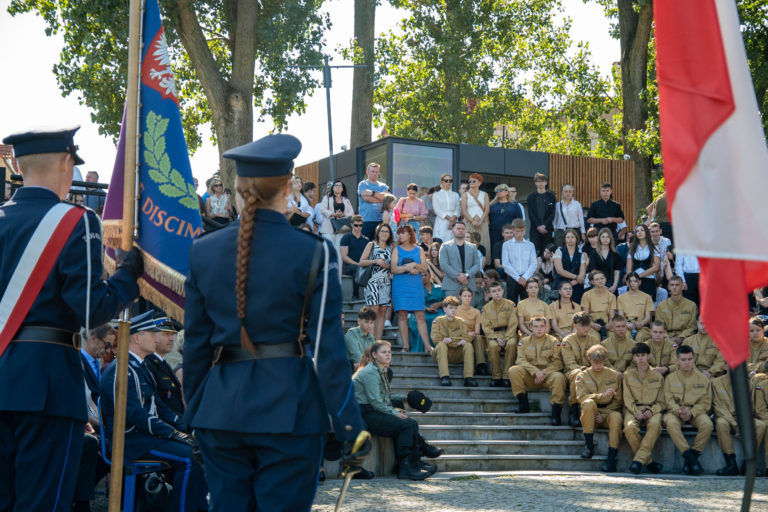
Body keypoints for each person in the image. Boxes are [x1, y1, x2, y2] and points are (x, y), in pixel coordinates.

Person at [182, 134, 366, 510]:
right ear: (287, 189)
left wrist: (196, 410)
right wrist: (348, 423)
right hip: (290, 410)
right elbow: (327, 348)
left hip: (220, 411)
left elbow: (197, 345)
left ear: (237, 191)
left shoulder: (203, 250)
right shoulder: (315, 252)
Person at [0, 126, 142, 512]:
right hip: (48, 381)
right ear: (67, 162)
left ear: (19, 166)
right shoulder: (76, 221)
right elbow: (91, 310)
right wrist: (128, 275)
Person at [101, 311, 207, 512]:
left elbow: (161, 408)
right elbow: (136, 415)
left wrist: (187, 428)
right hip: (131, 442)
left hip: (146, 438)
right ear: (137, 337)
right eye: (152, 334)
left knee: (202, 449)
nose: (156, 338)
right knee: (191, 458)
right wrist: (173, 433)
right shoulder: (121, 368)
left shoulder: (140, 367)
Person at [352, 340, 440, 480]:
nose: (388, 355)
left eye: (389, 352)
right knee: (406, 425)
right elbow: (376, 402)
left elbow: (385, 397)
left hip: (372, 410)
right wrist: (394, 412)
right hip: (363, 414)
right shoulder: (370, 373)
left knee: (411, 423)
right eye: (383, 352)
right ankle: (405, 468)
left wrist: (405, 398)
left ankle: (414, 463)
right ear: (374, 355)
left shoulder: (380, 370)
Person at [663, 345, 713, 476]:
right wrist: (678, 411)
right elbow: (668, 400)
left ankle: (692, 457)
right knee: (671, 423)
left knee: (707, 424)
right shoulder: (670, 378)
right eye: (683, 359)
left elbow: (706, 401)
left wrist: (692, 412)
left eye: (690, 359)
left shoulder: (703, 379)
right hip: (675, 411)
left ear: (694, 359)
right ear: (677, 360)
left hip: (695, 411)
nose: (687, 362)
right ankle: (689, 456)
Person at [509, 316, 566, 425]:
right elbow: (520, 360)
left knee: (559, 377)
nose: (539, 329)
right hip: (531, 376)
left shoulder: (554, 341)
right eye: (536, 326)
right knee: (514, 370)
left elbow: (558, 363)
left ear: (546, 327)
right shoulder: (524, 342)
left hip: (547, 376)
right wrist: (535, 372)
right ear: (530, 327)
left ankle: (556, 414)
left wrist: (543, 373)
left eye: (541, 326)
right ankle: (523, 404)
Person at [575, 344, 622, 472]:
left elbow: (618, 400)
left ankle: (611, 457)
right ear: (589, 359)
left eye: (601, 362)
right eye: (595, 362)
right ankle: (588, 446)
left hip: (608, 410)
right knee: (588, 403)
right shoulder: (582, 376)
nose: (598, 365)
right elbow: (581, 397)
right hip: (591, 413)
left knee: (617, 417)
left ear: (605, 360)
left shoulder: (614, 375)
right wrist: (601, 396)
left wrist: (605, 415)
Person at [622, 342, 665, 475]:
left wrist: (652, 411)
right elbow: (627, 398)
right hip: (633, 409)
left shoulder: (658, 376)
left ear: (648, 356)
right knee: (629, 427)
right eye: (638, 356)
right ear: (634, 358)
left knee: (655, 425)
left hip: (653, 409)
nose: (640, 358)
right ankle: (648, 462)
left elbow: (662, 401)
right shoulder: (628, 375)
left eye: (643, 355)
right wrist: (636, 412)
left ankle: (638, 461)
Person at [391, 224, 431, 352]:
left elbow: (424, 268)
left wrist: (414, 264)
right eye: (399, 233)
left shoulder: (419, 250)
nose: (400, 235)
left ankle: (428, 346)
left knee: (420, 315)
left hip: (415, 286)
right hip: (400, 286)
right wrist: (407, 268)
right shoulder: (396, 249)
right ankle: (405, 346)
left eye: (402, 233)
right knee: (402, 315)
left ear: (409, 234)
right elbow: (393, 269)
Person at [561, 312, 600, 427]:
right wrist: (584, 370)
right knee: (577, 374)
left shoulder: (594, 340)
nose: (586, 329)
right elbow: (569, 363)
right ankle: (573, 410)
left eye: (588, 325)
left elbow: (601, 359)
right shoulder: (567, 341)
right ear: (575, 326)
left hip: (592, 370)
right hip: (572, 371)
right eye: (583, 326)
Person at [430, 296, 478, 387]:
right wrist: (456, 340)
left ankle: (468, 378)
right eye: (450, 308)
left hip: (456, 354)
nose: (453, 310)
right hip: (442, 354)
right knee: (441, 344)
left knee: (468, 345)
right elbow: (435, 339)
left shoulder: (461, 322)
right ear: (444, 309)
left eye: (455, 308)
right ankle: (444, 377)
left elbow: (466, 337)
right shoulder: (437, 321)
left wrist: (452, 340)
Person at [144, 314, 185, 416]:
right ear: (153, 336)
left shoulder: (163, 364)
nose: (171, 339)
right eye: (166, 334)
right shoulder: (148, 364)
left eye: (172, 334)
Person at [358, 224, 393, 338]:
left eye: (387, 231)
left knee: (383, 311)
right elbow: (361, 261)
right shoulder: (371, 244)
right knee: (373, 310)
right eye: (382, 231)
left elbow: (393, 266)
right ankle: (370, 340)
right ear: (378, 233)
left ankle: (378, 340)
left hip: (386, 283)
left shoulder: (391, 248)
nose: (384, 234)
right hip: (372, 281)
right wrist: (375, 261)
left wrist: (389, 267)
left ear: (390, 234)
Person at [482, 281, 519, 387]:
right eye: (494, 291)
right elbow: (486, 326)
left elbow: (513, 323)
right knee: (493, 346)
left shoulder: (511, 305)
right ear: (490, 294)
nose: (497, 293)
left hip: (509, 333)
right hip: (494, 334)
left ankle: (507, 376)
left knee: (511, 344)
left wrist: (506, 338)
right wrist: (495, 338)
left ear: (503, 291)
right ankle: (496, 376)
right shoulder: (486, 308)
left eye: (499, 290)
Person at [439, 220, 482, 299]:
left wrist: (467, 275)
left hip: (469, 284)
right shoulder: (445, 246)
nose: (461, 230)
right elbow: (444, 265)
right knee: (452, 307)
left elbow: (477, 265)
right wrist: (458, 277)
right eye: (458, 229)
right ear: (452, 231)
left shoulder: (472, 247)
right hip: (451, 285)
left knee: (469, 307)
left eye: (463, 229)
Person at [712, 373, 742, 476]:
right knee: (721, 424)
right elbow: (718, 406)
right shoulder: (716, 383)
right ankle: (731, 462)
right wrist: (735, 425)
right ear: (725, 366)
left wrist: (741, 423)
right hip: (723, 416)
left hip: (741, 417)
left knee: (760, 426)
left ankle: (748, 464)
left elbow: (749, 406)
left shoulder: (748, 384)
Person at [654, 275, 698, 345]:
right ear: (668, 287)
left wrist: (681, 337)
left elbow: (693, 327)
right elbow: (659, 325)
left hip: (686, 339)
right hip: (665, 338)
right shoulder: (661, 306)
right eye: (672, 285)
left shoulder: (691, 306)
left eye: (677, 285)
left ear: (682, 286)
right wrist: (667, 338)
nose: (674, 287)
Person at [501, 218, 537, 303]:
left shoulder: (530, 245)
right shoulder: (506, 245)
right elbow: (506, 264)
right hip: (512, 277)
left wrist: (524, 277)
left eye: (522, 231)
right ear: (513, 230)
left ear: (525, 230)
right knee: (511, 303)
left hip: (526, 278)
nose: (520, 234)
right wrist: (518, 278)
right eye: (517, 231)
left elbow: (533, 264)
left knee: (527, 303)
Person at [408, 272, 445, 353]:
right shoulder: (415, 289)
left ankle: (441, 347)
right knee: (424, 320)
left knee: (441, 318)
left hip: (438, 309)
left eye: (425, 275)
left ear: (430, 275)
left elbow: (446, 301)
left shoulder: (439, 288)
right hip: (420, 310)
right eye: (421, 276)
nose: (424, 277)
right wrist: (426, 308)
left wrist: (439, 304)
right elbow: (413, 302)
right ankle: (425, 347)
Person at [625, 224, 660, 301]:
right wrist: (633, 280)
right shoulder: (632, 248)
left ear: (646, 232)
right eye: (637, 231)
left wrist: (638, 276)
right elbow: (628, 270)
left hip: (649, 280)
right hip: (634, 282)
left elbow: (656, 267)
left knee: (648, 304)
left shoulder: (654, 247)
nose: (639, 232)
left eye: (642, 230)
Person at [457, 287, 487, 376]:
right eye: (464, 296)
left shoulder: (476, 312)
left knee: (478, 337)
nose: (467, 298)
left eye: (469, 296)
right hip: (459, 336)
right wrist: (466, 334)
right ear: (460, 297)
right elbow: (454, 329)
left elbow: (477, 331)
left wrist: (472, 334)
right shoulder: (456, 310)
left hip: (473, 336)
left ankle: (481, 365)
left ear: (472, 297)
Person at [617, 272, 655, 342]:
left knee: (640, 337)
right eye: (630, 281)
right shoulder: (620, 298)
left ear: (639, 282)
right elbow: (621, 315)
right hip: (626, 324)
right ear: (627, 283)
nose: (633, 283)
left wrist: (641, 324)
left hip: (642, 325)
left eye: (635, 281)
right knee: (626, 336)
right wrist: (627, 324)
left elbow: (648, 317)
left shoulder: (647, 297)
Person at [357, 162, 390, 240]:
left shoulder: (383, 186)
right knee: (366, 244)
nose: (375, 174)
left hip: (380, 221)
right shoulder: (363, 184)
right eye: (372, 171)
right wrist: (380, 198)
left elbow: (385, 198)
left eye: (377, 172)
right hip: (366, 221)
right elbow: (366, 198)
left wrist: (372, 193)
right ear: (367, 172)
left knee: (379, 244)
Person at [526, 172, 557, 255]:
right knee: (534, 252)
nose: (541, 183)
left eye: (542, 181)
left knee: (547, 252)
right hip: (535, 230)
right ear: (535, 183)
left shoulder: (551, 196)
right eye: (538, 181)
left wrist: (544, 225)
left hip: (547, 229)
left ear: (546, 182)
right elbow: (531, 214)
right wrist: (538, 226)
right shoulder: (531, 197)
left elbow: (552, 213)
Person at [340, 215, 369, 299]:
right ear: (351, 224)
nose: (358, 228)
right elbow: (344, 257)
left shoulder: (366, 239)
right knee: (356, 268)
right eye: (356, 225)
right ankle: (355, 295)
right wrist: (357, 264)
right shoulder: (346, 238)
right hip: (349, 266)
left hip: (362, 265)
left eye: (360, 225)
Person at [553, 228, 586, 303]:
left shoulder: (581, 254)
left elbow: (582, 275)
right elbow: (559, 270)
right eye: (568, 237)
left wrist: (571, 283)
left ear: (576, 239)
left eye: (572, 237)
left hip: (576, 286)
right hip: (560, 284)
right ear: (564, 239)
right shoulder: (559, 251)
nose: (570, 239)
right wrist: (576, 277)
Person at [580, 270, 617, 338]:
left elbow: (612, 316)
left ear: (605, 279)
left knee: (613, 337)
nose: (600, 281)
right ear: (592, 282)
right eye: (597, 279)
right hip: (591, 324)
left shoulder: (612, 296)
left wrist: (608, 326)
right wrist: (593, 325)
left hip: (607, 324)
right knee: (594, 337)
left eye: (602, 278)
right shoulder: (586, 295)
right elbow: (585, 315)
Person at [488, 183, 524, 251]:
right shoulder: (491, 205)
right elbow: (487, 219)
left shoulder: (514, 205)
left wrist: (517, 233)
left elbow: (519, 220)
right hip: (494, 234)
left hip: (510, 233)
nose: (498, 192)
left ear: (507, 192)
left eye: (500, 190)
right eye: (497, 191)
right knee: (495, 250)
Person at [460, 173, 490, 254]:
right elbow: (464, 210)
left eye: (474, 181)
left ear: (479, 182)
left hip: (482, 221)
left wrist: (481, 221)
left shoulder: (485, 194)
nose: (471, 182)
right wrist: (472, 221)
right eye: (470, 181)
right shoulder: (465, 194)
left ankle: (484, 260)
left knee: (483, 241)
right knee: (469, 242)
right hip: (469, 221)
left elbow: (487, 210)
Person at [586, 227, 622, 294]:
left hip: (611, 286)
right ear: (599, 238)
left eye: (607, 237)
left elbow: (617, 271)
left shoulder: (615, 254)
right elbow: (593, 271)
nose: (605, 239)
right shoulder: (593, 254)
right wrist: (602, 285)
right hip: (597, 285)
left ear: (610, 238)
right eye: (603, 237)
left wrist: (614, 286)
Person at [432, 173, 460, 242]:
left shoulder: (455, 195)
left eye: (450, 180)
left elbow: (458, 208)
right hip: (442, 220)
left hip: (454, 219)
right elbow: (437, 210)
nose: (448, 182)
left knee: (454, 240)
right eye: (446, 180)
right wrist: (449, 219)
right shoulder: (436, 195)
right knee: (441, 240)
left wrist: (453, 219)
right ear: (442, 182)